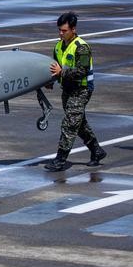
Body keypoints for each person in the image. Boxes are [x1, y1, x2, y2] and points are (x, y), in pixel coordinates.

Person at [44, 12, 107, 171]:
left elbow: (82, 71)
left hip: (82, 90)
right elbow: (55, 66)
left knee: (70, 124)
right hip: (67, 89)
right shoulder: (58, 46)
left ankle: (60, 159)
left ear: (73, 29)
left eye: (64, 31)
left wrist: (61, 73)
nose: (61, 33)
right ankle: (96, 151)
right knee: (78, 123)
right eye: (59, 30)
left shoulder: (82, 48)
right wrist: (52, 80)